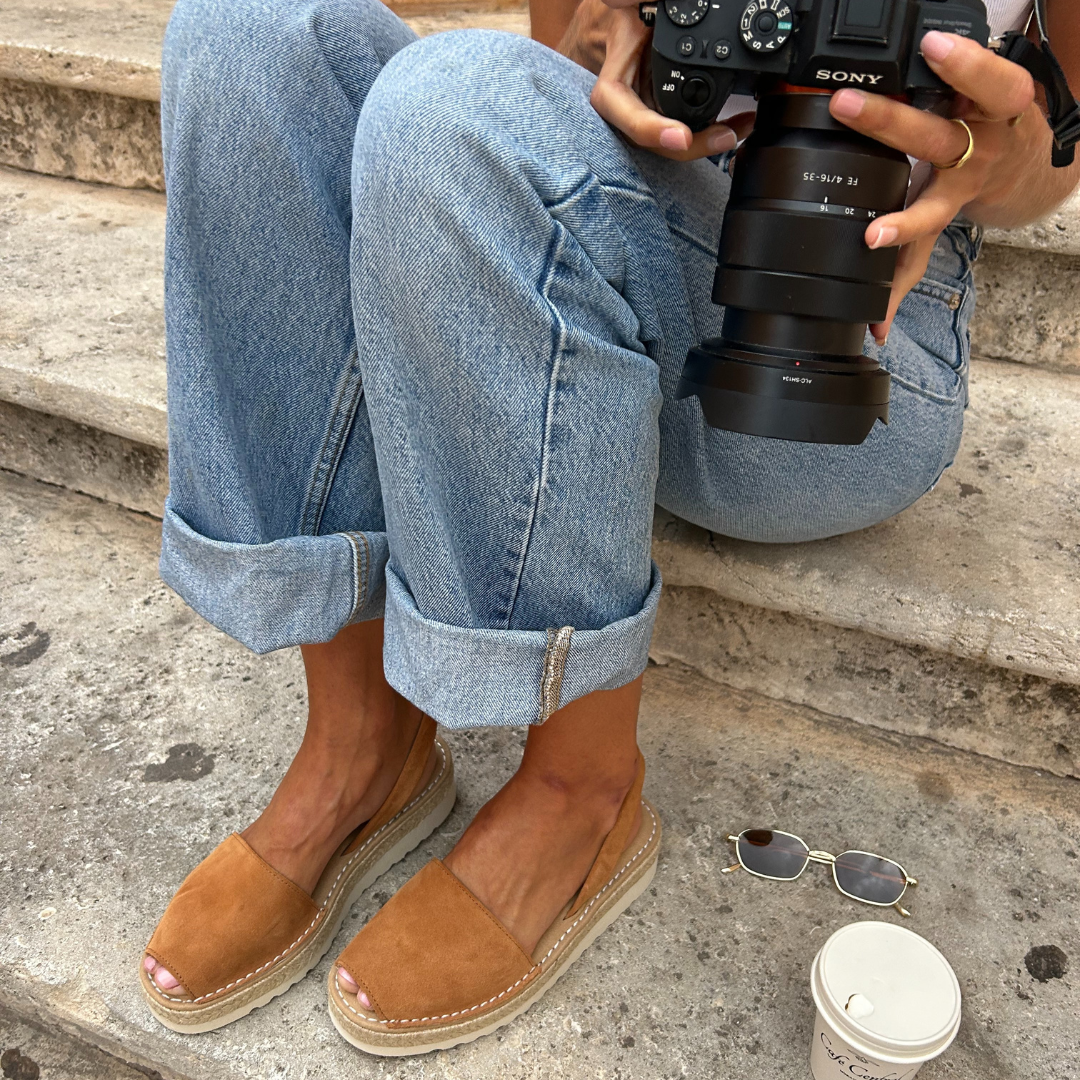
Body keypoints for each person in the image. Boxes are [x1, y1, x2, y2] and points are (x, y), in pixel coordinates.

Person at [138, 0, 1078, 1055]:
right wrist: (619, 43)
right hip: (623, 230)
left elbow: (1053, 173)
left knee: (455, 100)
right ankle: (363, 743)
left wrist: (1004, 152)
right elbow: (542, 90)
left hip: (864, 318)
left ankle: (580, 790)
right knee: (251, 27)